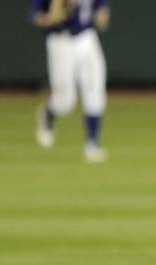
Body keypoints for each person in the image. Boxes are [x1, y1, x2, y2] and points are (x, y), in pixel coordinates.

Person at [30, 0, 110, 163]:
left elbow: (101, 11)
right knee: (65, 101)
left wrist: (102, 16)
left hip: (87, 38)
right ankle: (49, 114)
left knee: (95, 89)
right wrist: (50, 19)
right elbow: (35, 15)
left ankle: (92, 145)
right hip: (61, 42)